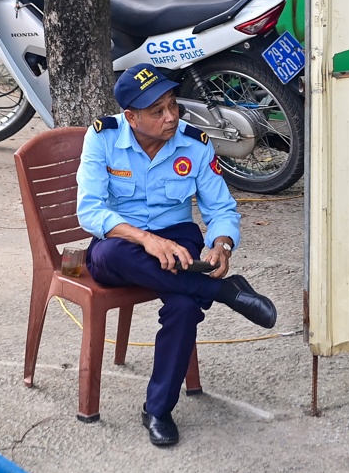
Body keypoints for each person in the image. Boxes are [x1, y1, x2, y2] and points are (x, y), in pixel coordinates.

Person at [76, 62, 277, 447]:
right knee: (106, 258)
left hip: (178, 237)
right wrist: (145, 239)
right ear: (131, 117)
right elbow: (91, 211)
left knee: (183, 305)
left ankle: (158, 409)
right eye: (158, 112)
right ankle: (223, 292)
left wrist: (221, 244)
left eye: (173, 105)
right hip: (125, 241)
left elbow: (221, 209)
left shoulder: (194, 143)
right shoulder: (102, 138)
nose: (171, 117)